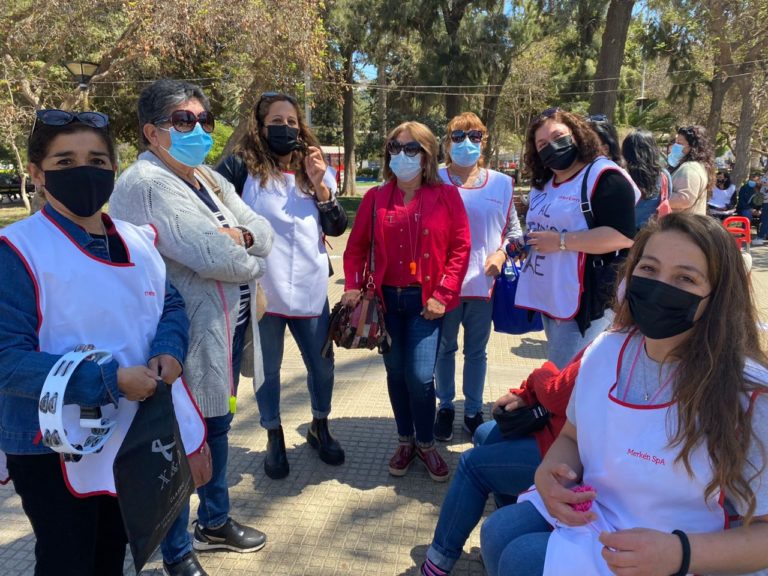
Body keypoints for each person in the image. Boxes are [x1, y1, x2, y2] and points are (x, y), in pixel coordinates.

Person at [480, 213, 768, 576]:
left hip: (685, 553)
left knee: (522, 558)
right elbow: (572, 434)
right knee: (498, 531)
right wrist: (550, 472)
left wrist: (681, 553)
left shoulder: (749, 394)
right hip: (602, 515)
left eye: (686, 278)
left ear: (718, 297)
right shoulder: (607, 350)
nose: (661, 287)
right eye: (648, 269)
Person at [0, 110, 204, 575]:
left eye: (96, 159)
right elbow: (7, 359)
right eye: (64, 162)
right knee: (67, 559)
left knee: (111, 551)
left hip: (127, 433)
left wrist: (168, 351)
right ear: (37, 174)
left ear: (114, 168)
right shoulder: (16, 250)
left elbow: (170, 305)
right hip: (50, 445)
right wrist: (109, 379)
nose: (84, 172)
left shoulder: (136, 240)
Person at [110, 80, 274, 576]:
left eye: (204, 118)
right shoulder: (146, 183)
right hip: (181, 335)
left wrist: (242, 237)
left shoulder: (204, 176)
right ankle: (178, 551)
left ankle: (215, 520)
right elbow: (214, 255)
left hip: (227, 328)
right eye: (184, 120)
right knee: (181, 439)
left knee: (218, 426)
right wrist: (247, 255)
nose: (198, 128)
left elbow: (260, 232)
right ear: (152, 132)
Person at [216, 92, 347, 480]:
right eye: (277, 121)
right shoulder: (242, 167)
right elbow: (207, 200)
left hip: (309, 291)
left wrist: (321, 185)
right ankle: (273, 433)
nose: (286, 128)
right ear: (260, 125)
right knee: (267, 371)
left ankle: (319, 426)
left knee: (321, 368)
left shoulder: (315, 169)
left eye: (292, 122)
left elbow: (337, 226)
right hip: (262, 293)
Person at [342, 121, 470, 482]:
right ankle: (405, 440)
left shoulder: (446, 196)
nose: (402, 155)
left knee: (419, 376)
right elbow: (354, 250)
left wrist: (444, 294)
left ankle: (427, 443)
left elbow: (461, 248)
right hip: (386, 304)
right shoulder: (374, 199)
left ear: (427, 154)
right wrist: (352, 286)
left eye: (411, 148)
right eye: (395, 148)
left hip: (425, 303)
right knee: (396, 373)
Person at [420, 358, 579, 576]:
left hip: (568, 457)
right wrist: (529, 392)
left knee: (472, 465)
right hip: (555, 432)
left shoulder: (615, 344)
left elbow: (555, 392)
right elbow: (563, 389)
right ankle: (499, 534)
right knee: (484, 434)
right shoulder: (614, 339)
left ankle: (436, 564)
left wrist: (543, 371)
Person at [515, 108, 638, 369]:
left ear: (577, 134)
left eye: (559, 136)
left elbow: (623, 236)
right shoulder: (545, 183)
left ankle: (563, 411)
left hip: (586, 301)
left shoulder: (605, 177)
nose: (552, 147)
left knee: (564, 377)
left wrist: (560, 241)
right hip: (552, 295)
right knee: (564, 372)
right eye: (542, 144)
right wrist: (527, 242)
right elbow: (545, 227)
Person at [433, 112, 523, 441]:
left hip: (482, 286)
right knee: (444, 349)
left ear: (483, 142)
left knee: (476, 352)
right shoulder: (434, 180)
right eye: (458, 136)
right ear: (447, 141)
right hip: (442, 286)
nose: (466, 143)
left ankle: (472, 411)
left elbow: (515, 232)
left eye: (474, 136)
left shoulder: (500, 183)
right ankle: (445, 406)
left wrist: (502, 254)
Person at [622, 129, 672, 229]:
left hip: (624, 235)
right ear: (653, 150)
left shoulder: (621, 176)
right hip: (651, 235)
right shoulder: (664, 175)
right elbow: (667, 197)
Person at [667, 125, 715, 215]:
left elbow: (684, 199)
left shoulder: (689, 169)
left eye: (680, 143)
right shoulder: (695, 166)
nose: (675, 146)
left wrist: (659, 197)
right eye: (675, 142)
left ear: (692, 147)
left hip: (682, 225)